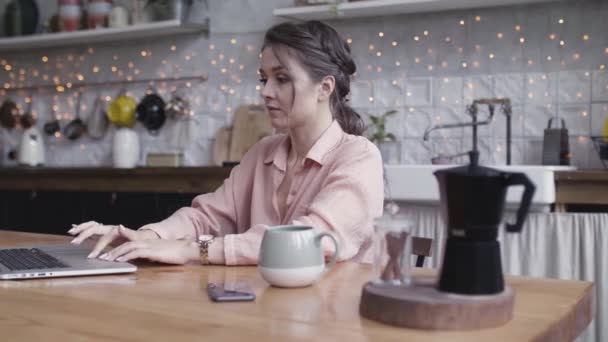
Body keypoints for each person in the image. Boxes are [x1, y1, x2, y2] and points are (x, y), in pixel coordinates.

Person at [69, 20, 384, 266]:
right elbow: (206, 216)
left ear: (324, 87)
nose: (265, 91)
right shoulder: (262, 152)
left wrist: (193, 250)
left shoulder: (359, 156)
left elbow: (312, 239)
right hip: (264, 307)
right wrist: (146, 236)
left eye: (282, 78)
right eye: (264, 78)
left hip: (334, 319)